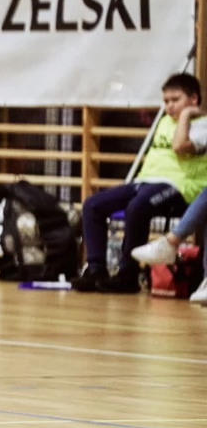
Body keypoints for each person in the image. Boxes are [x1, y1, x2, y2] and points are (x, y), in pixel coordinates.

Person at [79, 74, 207, 293]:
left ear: (193, 99)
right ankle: (95, 268)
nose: (169, 106)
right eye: (166, 101)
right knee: (92, 205)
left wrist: (186, 115)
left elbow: (179, 146)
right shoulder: (164, 121)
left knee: (138, 207)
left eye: (175, 100)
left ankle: (127, 275)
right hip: (146, 181)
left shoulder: (202, 124)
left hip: (180, 186)